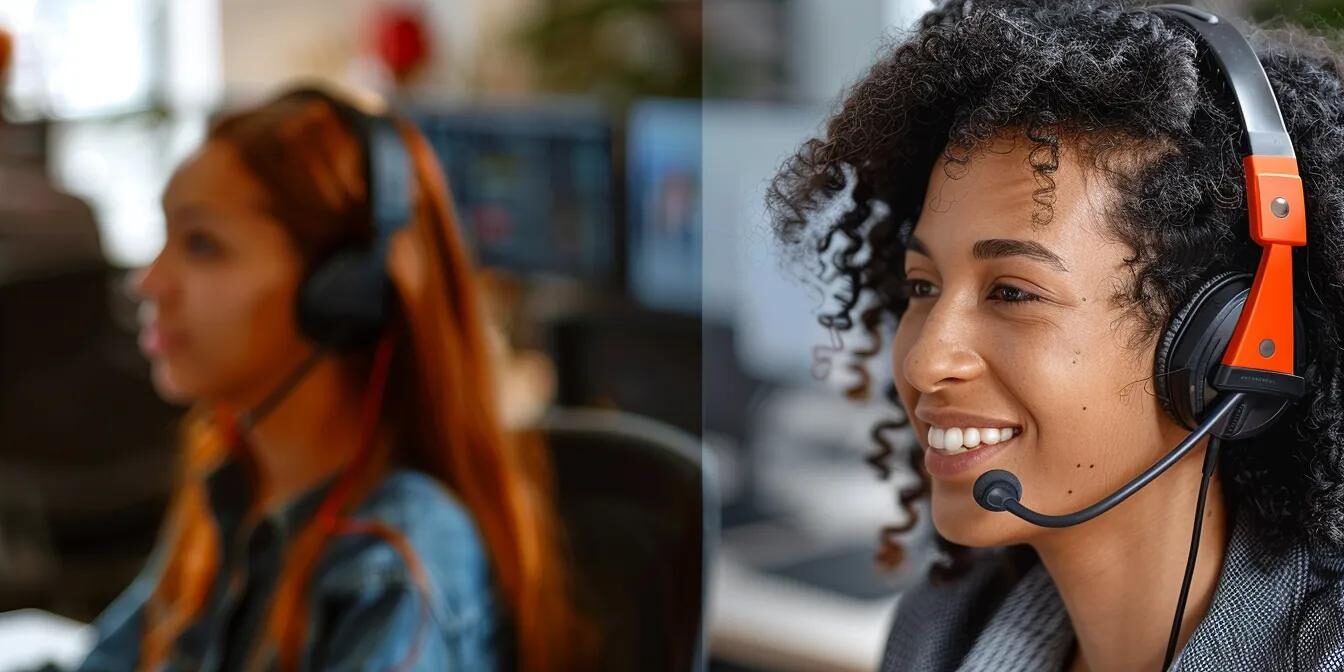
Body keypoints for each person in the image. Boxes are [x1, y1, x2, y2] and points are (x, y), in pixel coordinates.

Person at [768, 1, 1344, 670]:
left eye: (1012, 292)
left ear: (1230, 348)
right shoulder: (940, 632)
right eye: (923, 286)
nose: (925, 361)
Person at [75, 86, 588, 671]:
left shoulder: (396, 559)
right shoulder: (237, 492)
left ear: (344, 291)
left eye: (202, 245)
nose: (148, 282)